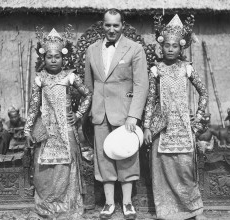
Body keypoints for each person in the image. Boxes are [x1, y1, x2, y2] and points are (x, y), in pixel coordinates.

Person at [84, 8, 149, 219]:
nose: (111, 29)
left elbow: (142, 85)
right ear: (102, 25)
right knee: (104, 158)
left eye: (116, 25)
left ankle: (128, 203)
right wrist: (87, 113)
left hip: (124, 114)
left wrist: (134, 115)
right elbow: (88, 85)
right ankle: (109, 203)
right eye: (107, 25)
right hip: (100, 113)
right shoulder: (91, 50)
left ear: (123, 25)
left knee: (126, 156)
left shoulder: (135, 48)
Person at [143, 14, 208, 220]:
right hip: (161, 129)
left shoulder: (187, 68)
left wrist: (197, 119)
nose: (170, 49)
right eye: (167, 45)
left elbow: (203, 93)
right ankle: (167, 212)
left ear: (182, 48)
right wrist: (146, 126)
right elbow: (150, 99)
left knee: (185, 171)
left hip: (183, 127)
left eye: (175, 46)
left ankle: (195, 210)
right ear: (161, 46)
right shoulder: (155, 69)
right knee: (162, 171)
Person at [24, 28, 92, 219]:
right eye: (49, 57)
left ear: (64, 58)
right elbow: (33, 105)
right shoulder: (39, 79)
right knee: (44, 168)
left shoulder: (70, 76)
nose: (53, 60)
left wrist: (77, 115)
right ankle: (47, 203)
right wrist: (28, 129)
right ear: (43, 58)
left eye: (57, 57)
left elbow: (87, 94)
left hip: (66, 129)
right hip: (45, 130)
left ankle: (68, 204)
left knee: (67, 165)